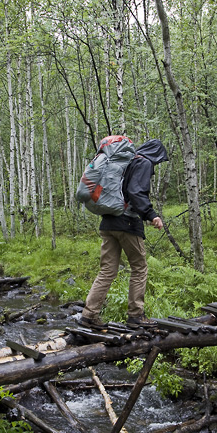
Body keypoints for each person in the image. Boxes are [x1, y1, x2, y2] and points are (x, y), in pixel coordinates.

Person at [80, 138, 169, 329]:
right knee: (139, 268)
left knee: (107, 270)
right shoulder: (143, 162)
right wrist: (151, 214)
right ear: (156, 154)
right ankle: (136, 316)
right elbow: (136, 191)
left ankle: (88, 315)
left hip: (108, 221)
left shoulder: (127, 161)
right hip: (127, 222)